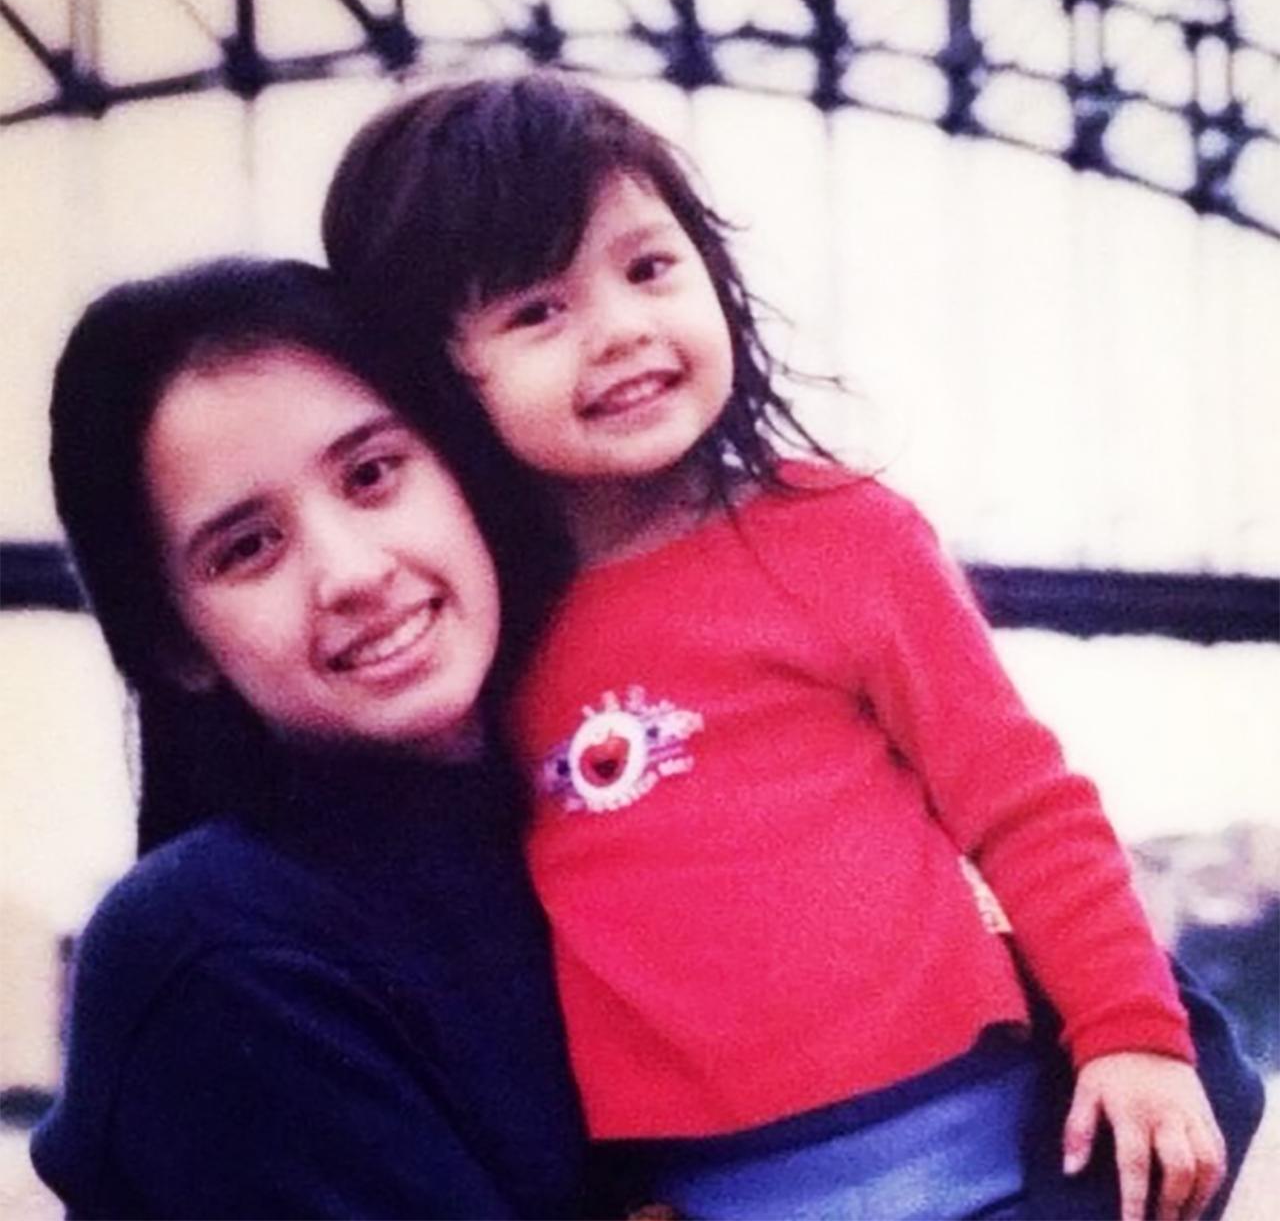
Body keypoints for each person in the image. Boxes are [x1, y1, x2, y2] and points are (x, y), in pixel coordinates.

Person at [322, 72, 1265, 1221]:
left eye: (647, 268)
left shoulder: (840, 534)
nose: (619, 328)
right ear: (437, 374)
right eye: (536, 311)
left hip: (981, 1149)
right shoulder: (481, 634)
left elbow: (1025, 806)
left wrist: (1132, 1034)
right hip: (705, 1189)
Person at [30, 257, 587, 1219]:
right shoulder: (215, 951)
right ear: (176, 644)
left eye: (371, 475)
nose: (352, 572)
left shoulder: (619, 804)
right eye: (248, 547)